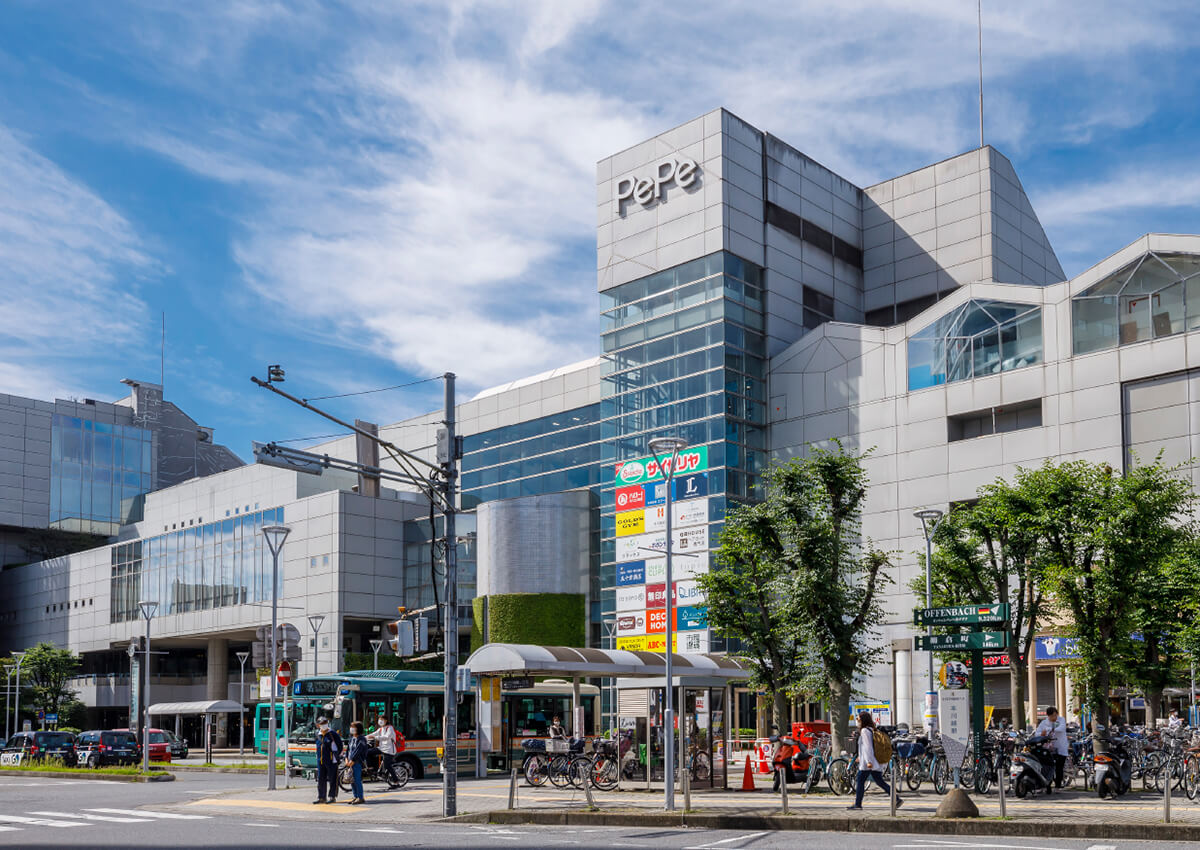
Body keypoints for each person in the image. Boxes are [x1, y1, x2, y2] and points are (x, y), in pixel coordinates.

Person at [847, 711, 901, 810]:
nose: (857, 720)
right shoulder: (870, 730)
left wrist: (868, 761)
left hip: (868, 763)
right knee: (880, 782)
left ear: (863, 720)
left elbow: (868, 748)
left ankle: (858, 805)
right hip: (870, 762)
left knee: (860, 781)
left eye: (858, 718)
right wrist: (861, 757)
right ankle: (897, 799)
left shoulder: (864, 731)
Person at [1034, 706, 1069, 788]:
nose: (1054, 717)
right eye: (1052, 716)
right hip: (1049, 748)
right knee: (1049, 767)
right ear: (1048, 716)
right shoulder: (1044, 722)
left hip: (1060, 747)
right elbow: (1037, 733)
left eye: (1055, 715)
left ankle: (1058, 785)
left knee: (1059, 767)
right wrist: (1042, 734)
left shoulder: (1061, 720)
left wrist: (1049, 729)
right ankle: (1048, 784)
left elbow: (1061, 729)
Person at [313, 716, 343, 804]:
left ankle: (332, 797)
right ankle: (321, 797)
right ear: (318, 725)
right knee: (321, 779)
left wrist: (335, 756)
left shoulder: (332, 734)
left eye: (325, 723)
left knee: (332, 779)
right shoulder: (317, 734)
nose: (324, 725)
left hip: (331, 760)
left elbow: (340, 746)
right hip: (320, 760)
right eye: (322, 724)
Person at [374, 713, 400, 785]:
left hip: (389, 750)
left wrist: (376, 738)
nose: (380, 721)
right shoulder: (381, 729)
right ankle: (374, 771)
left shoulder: (390, 728)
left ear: (386, 720)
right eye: (379, 719)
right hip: (382, 748)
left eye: (382, 719)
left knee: (387, 765)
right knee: (368, 752)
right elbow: (373, 734)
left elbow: (387, 737)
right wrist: (364, 737)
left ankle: (396, 781)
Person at [346, 721, 368, 805]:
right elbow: (348, 750)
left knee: (357, 780)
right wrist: (346, 759)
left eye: (353, 727)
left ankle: (360, 797)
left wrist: (353, 760)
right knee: (352, 780)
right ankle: (355, 796)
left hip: (357, 762)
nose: (351, 729)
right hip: (350, 762)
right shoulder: (352, 738)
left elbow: (358, 751)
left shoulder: (362, 739)